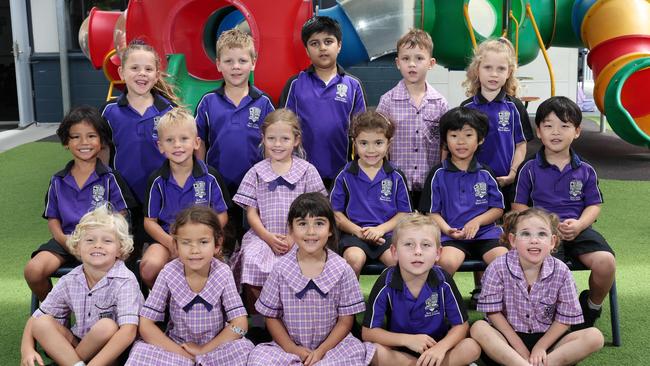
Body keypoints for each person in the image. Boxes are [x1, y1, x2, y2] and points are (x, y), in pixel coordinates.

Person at [512, 96, 616, 329]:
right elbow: (518, 207)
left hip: (578, 230)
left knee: (606, 262)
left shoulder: (586, 170)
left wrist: (579, 225)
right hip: (543, 235)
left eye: (564, 126)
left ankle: (591, 307)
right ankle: (551, 316)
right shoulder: (528, 168)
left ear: (577, 131)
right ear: (538, 131)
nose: (556, 132)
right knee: (546, 267)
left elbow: (593, 205)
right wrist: (543, 229)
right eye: (548, 126)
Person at [248, 193, 375, 365]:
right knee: (258, 358)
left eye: (319, 223)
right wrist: (292, 349)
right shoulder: (280, 269)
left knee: (355, 352)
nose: (311, 232)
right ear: (291, 229)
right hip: (287, 347)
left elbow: (345, 321)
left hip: (331, 349)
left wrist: (322, 351)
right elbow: (271, 317)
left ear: (330, 229)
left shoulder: (342, 268)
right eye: (302, 224)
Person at [24, 106, 134, 302]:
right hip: (66, 241)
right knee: (33, 271)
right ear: (66, 142)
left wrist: (102, 242)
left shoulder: (110, 178)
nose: (84, 142)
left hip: (101, 244)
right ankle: (57, 315)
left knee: (109, 271)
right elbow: (53, 218)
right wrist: (66, 242)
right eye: (75, 137)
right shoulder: (58, 180)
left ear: (101, 141)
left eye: (91, 136)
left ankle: (106, 314)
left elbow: (122, 216)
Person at [470, 208, 604, 366]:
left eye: (542, 234)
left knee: (594, 336)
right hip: (507, 342)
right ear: (513, 240)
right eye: (526, 234)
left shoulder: (562, 271)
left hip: (548, 343)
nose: (534, 240)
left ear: (552, 242)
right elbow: (493, 313)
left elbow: (565, 319)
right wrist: (519, 348)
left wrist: (541, 347)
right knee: (478, 327)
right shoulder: (497, 267)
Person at [230, 109, 326, 323]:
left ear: (296, 140)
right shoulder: (256, 172)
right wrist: (266, 236)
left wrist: (295, 237)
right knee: (252, 259)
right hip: (263, 235)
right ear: (263, 139)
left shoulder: (307, 171)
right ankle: (264, 320)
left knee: (302, 262)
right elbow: (251, 212)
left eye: (284, 139)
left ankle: (295, 319)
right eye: (271, 138)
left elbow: (317, 209)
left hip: (300, 237)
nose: (278, 144)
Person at [126, 205, 253, 365]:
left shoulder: (223, 272)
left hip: (216, 348)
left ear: (217, 244)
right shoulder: (168, 272)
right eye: (186, 243)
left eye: (203, 242)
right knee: (140, 352)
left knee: (243, 350)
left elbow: (240, 325)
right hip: (177, 349)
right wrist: (182, 354)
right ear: (176, 245)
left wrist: (203, 351)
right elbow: (145, 325)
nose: (195, 250)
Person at [21, 205, 143, 366]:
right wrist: (27, 349)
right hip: (81, 344)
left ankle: (70, 362)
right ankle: (75, 363)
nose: (97, 245)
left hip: (114, 350)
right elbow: (36, 318)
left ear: (120, 250)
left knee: (106, 326)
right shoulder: (70, 280)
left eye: (107, 241)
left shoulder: (125, 280)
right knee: (42, 321)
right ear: (78, 247)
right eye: (90, 240)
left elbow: (128, 333)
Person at [362, 213, 481, 366]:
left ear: (438, 253)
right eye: (409, 244)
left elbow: (461, 325)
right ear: (394, 252)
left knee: (471, 347)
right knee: (372, 351)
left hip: (437, 349)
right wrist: (407, 340)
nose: (417, 251)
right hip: (401, 350)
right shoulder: (386, 282)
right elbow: (368, 332)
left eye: (425, 245)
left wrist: (441, 348)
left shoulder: (443, 281)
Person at [194, 29, 275, 249]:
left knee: (252, 244)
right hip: (220, 187)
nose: (236, 67)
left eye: (242, 60)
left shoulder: (264, 103)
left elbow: (273, 146)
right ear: (219, 64)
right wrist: (201, 176)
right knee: (224, 244)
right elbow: (199, 142)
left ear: (253, 63)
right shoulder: (208, 102)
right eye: (229, 61)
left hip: (255, 188)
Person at [100, 39, 179, 252]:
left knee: (159, 256)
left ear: (156, 74)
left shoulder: (168, 110)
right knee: (125, 255)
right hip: (123, 198)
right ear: (121, 72)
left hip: (162, 197)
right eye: (134, 68)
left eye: (148, 69)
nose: (142, 74)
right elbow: (103, 153)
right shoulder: (109, 111)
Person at [140, 107, 230, 288]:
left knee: (219, 269)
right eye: (170, 140)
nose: (177, 145)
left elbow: (222, 215)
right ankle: (163, 307)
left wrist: (206, 239)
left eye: (184, 139)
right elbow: (149, 222)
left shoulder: (210, 177)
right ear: (160, 146)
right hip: (167, 240)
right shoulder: (157, 180)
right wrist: (172, 243)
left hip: (202, 241)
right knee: (149, 267)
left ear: (196, 143)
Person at [419, 107, 507, 276]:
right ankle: (445, 299)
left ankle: (486, 295)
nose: (461, 142)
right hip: (452, 237)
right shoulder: (437, 174)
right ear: (445, 140)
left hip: (486, 234)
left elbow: (498, 209)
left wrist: (477, 222)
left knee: (502, 261)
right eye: (454, 136)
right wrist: (447, 230)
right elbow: (431, 213)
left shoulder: (486, 173)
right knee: (446, 263)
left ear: (480, 139)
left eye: (468, 135)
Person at [279, 16, 366, 186]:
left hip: (342, 175)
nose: (322, 48)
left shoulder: (353, 85)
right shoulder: (295, 84)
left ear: (339, 45)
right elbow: (282, 128)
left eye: (328, 41)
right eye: (314, 43)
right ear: (307, 50)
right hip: (300, 175)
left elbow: (362, 133)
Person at [330, 111, 411, 277]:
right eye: (364, 143)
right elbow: (335, 214)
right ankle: (350, 302)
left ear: (389, 143)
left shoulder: (396, 176)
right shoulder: (344, 175)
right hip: (354, 235)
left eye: (378, 142)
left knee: (400, 261)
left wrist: (380, 230)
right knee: (353, 259)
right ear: (355, 143)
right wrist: (360, 232)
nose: (371, 150)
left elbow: (404, 214)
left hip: (387, 235)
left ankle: (396, 302)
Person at [376, 29, 449, 205]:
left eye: (419, 58)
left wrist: (443, 179)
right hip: (396, 184)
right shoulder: (387, 101)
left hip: (429, 184)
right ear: (397, 63)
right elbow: (378, 141)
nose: (412, 64)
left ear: (431, 63)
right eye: (406, 58)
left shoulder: (440, 103)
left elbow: (445, 145)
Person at [460, 37, 534, 203]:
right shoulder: (466, 108)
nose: (494, 74)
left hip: (506, 182)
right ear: (477, 69)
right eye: (488, 67)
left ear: (509, 72)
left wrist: (513, 173)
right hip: (474, 182)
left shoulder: (515, 107)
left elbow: (521, 145)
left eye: (501, 69)